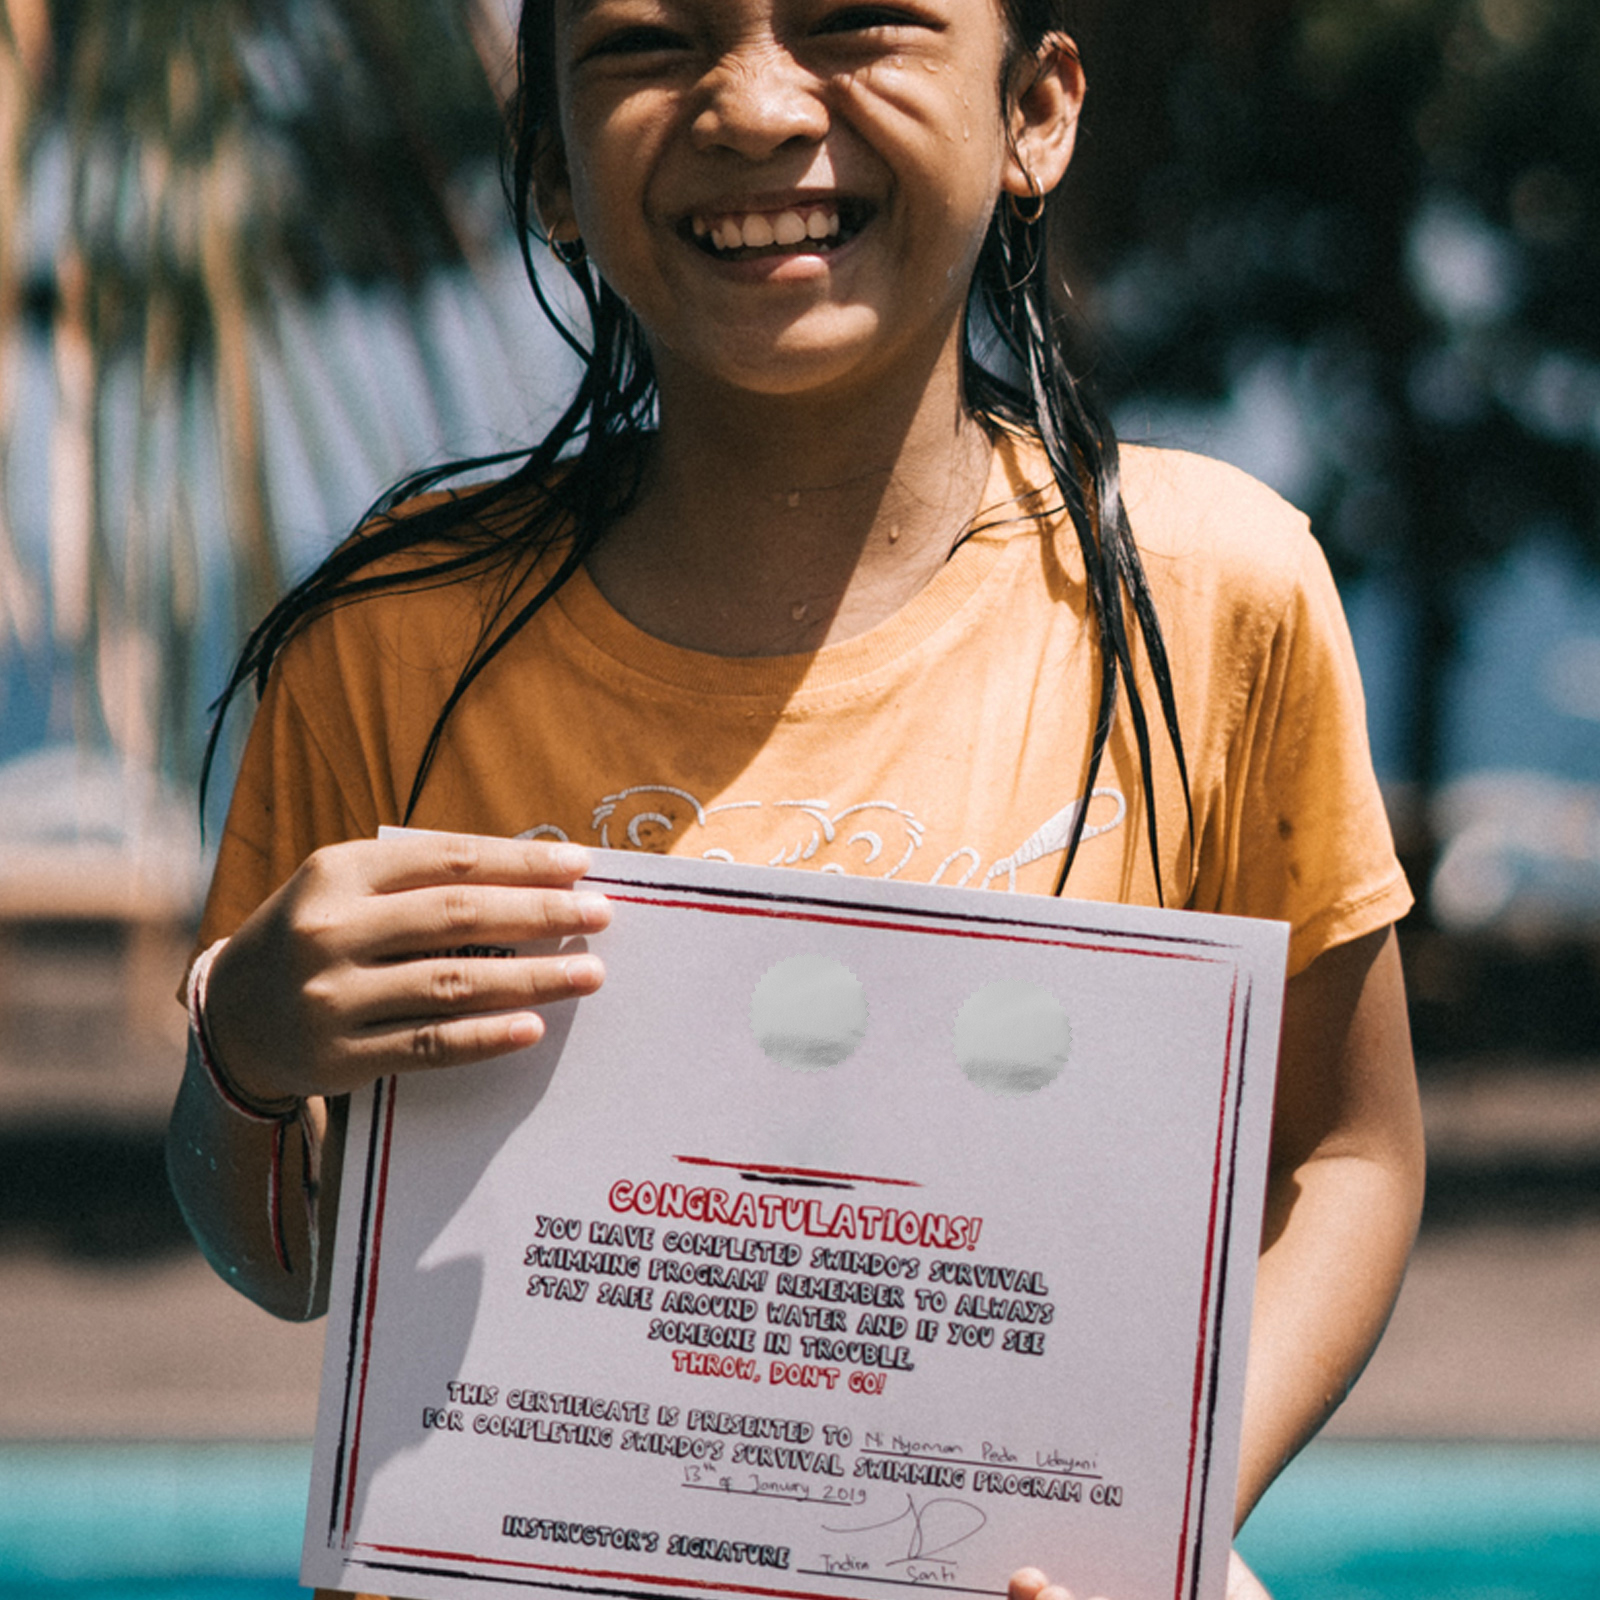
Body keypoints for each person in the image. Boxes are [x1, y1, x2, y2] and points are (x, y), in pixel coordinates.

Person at [166, 0, 1425, 1596]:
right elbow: (287, 1268)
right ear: (549, 165)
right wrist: (248, 1056)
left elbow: (1354, 1160)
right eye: (646, 42)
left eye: (859, 25)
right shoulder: (386, 651)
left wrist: (1153, 1520)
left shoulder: (1209, 597)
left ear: (1034, 111)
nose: (755, 106)